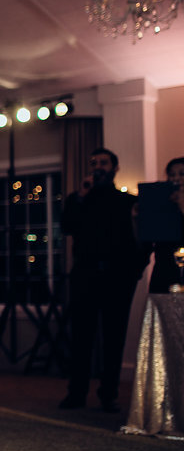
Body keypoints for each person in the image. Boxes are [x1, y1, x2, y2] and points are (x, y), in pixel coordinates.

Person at [60, 147, 147, 413]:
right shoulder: (79, 200)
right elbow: (66, 228)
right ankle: (76, 393)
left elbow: (141, 241)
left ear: (115, 168)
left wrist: (135, 270)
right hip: (85, 275)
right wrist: (81, 196)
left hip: (117, 278)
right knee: (82, 337)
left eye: (103, 163)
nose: (98, 166)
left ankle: (108, 394)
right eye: (93, 162)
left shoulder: (127, 202)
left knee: (114, 337)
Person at [146, 157, 184, 294]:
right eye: (172, 175)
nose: (177, 179)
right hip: (164, 268)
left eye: (182, 174)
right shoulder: (162, 205)